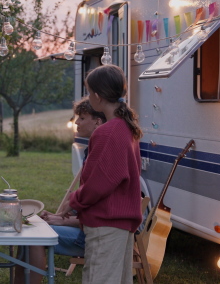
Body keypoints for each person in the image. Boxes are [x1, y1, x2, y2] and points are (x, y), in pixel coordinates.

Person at [64, 64, 143, 284]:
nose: (89, 97)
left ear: (97, 96)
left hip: (106, 223)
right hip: (121, 224)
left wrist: (74, 200)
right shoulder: (127, 128)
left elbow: (100, 183)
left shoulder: (107, 132)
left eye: (89, 93)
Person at [13, 97, 106, 284]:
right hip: (85, 227)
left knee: (33, 236)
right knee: (28, 230)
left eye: (82, 118)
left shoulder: (102, 151)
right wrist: (60, 217)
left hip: (92, 236)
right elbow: (83, 201)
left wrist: (63, 218)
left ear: (98, 121)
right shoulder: (92, 149)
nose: (76, 122)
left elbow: (97, 213)